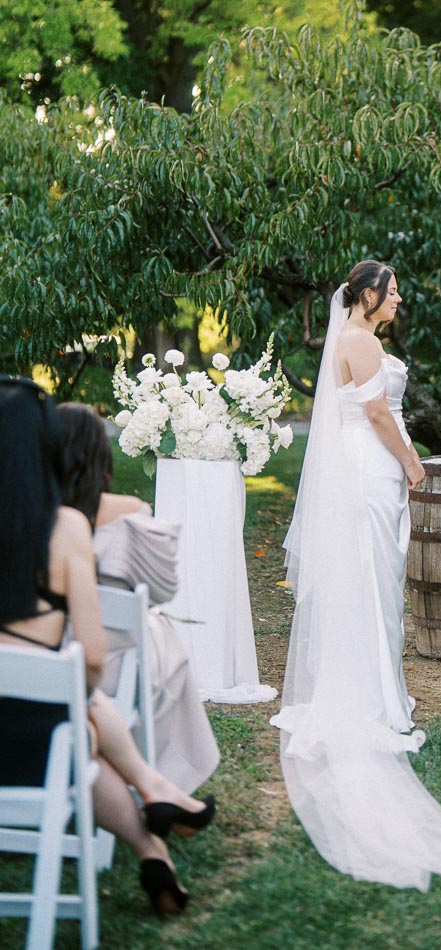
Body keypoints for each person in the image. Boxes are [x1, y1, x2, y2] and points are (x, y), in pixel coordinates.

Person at [273, 261, 441, 890]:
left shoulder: (358, 339)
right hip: (370, 469)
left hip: (366, 470)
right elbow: (379, 418)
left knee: (376, 580)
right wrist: (415, 464)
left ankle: (371, 685)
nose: (398, 298)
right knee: (370, 579)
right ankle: (368, 698)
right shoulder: (360, 342)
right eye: (391, 290)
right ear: (367, 295)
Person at [0, 378, 215, 917]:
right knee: (78, 729)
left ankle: (151, 841)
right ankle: (154, 794)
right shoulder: (66, 528)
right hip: (32, 742)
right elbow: (93, 659)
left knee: (77, 730)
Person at [56, 402, 221, 795]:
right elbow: (163, 591)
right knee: (160, 634)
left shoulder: (31, 517)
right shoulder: (131, 512)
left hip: (52, 651)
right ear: (101, 453)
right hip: (116, 659)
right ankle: (159, 777)